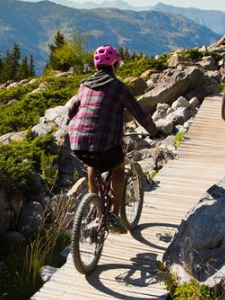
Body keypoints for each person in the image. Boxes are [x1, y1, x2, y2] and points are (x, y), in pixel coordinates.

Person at [66, 45, 159, 232]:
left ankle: (94, 204)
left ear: (96, 66)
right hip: (105, 143)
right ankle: (114, 215)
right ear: (115, 65)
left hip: (77, 142)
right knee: (118, 168)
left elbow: (70, 109)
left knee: (92, 163)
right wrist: (154, 131)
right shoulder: (119, 87)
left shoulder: (84, 85)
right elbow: (139, 113)